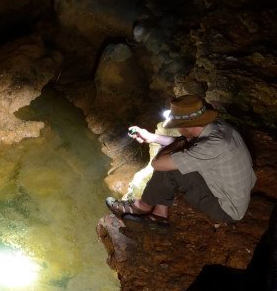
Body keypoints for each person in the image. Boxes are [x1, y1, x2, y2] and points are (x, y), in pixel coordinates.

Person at [106, 94, 256, 225]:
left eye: (177, 126)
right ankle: (159, 214)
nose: (177, 129)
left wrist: (172, 146)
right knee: (176, 158)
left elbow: (157, 163)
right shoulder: (218, 127)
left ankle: (142, 206)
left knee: (169, 166)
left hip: (226, 209)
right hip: (236, 193)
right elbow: (184, 142)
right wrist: (151, 137)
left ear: (186, 127)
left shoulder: (210, 147)